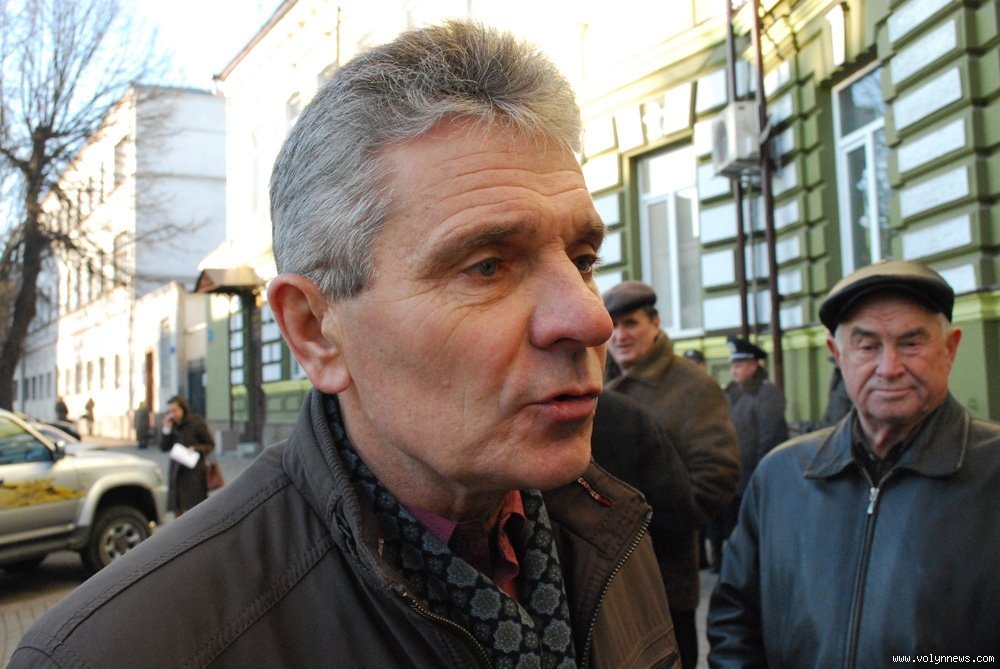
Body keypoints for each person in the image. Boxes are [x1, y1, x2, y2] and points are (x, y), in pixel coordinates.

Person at [12, 21, 678, 668]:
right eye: (487, 266)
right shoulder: (120, 650)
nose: (590, 318)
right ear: (314, 329)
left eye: (583, 259)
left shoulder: (611, 522)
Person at [708, 260, 1000, 667]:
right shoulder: (782, 477)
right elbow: (735, 624)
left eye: (911, 344)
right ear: (838, 355)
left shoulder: (990, 470)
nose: (889, 368)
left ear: (949, 349)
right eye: (867, 346)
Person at [603, 280, 740, 669]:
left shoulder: (692, 387)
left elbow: (717, 476)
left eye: (631, 323)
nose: (620, 335)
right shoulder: (596, 380)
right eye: (613, 326)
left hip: (665, 580)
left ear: (656, 323)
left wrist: (659, 524)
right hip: (603, 579)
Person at [591, 389, 697, 601]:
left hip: (654, 582)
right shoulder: (623, 411)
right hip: (642, 582)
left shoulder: (625, 415)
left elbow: (678, 512)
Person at [706, 336, 788, 572]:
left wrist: (758, 477)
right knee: (731, 528)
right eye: (732, 365)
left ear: (754, 365)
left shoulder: (766, 393)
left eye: (739, 365)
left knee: (754, 531)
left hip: (753, 475)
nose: (734, 370)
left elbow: (768, 438)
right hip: (733, 476)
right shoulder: (734, 393)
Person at [159, 395, 215, 516]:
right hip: (176, 474)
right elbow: (163, 447)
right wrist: (166, 430)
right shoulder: (171, 425)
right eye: (169, 411)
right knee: (178, 513)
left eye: (174, 411)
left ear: (183, 409)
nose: (172, 415)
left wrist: (196, 449)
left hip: (193, 475)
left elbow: (210, 444)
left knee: (195, 513)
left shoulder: (197, 423)